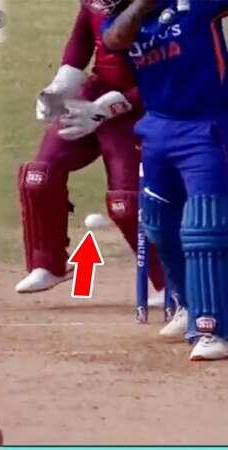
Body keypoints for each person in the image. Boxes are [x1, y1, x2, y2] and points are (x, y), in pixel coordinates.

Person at [16, 0, 169, 311]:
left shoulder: (160, 7)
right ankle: (47, 264)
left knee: (126, 204)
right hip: (94, 96)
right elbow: (79, 48)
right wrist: (58, 90)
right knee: (38, 177)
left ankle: (171, 283)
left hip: (141, 107)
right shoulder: (95, 4)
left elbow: (172, 75)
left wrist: (108, 108)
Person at [103, 0, 228, 359]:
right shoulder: (120, 20)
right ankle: (189, 303)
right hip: (157, 129)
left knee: (204, 228)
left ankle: (212, 328)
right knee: (159, 225)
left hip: (206, 127)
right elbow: (114, 39)